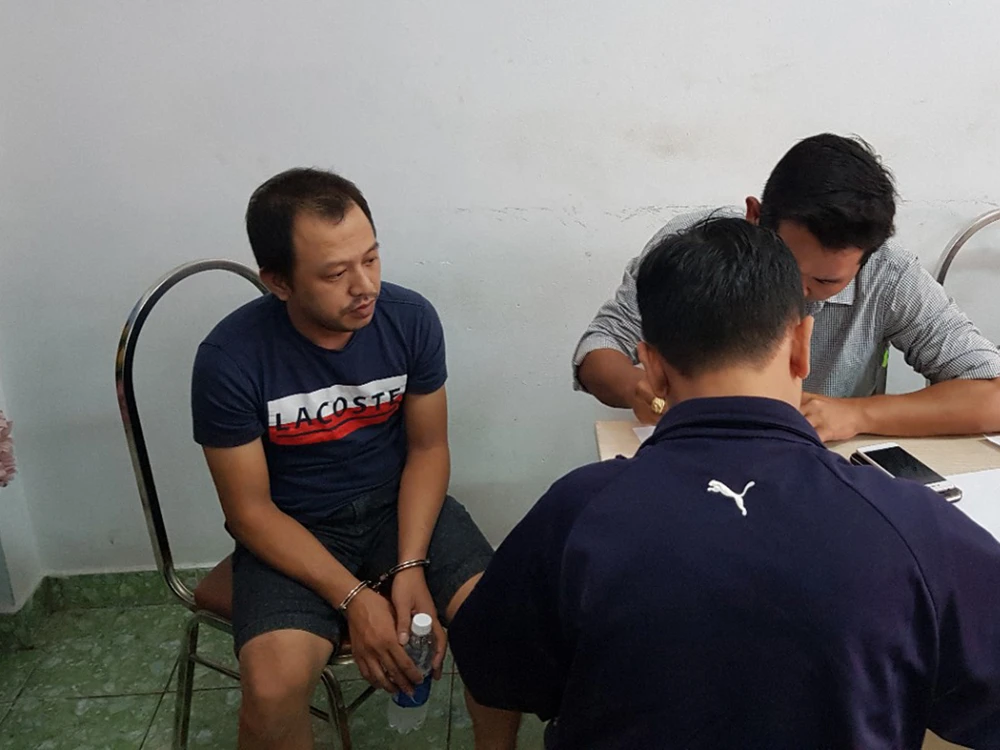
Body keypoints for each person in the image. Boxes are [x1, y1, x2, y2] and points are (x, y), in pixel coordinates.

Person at [450, 217, 1000, 749]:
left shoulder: (576, 513)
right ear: (801, 346)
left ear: (652, 367)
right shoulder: (914, 528)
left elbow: (493, 668)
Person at [191, 168, 519, 749]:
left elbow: (428, 449)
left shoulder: (409, 319)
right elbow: (250, 513)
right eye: (336, 273)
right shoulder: (230, 359)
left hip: (398, 510)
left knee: (504, 632)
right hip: (295, 529)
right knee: (271, 689)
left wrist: (410, 564)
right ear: (279, 282)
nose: (364, 286)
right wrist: (354, 598)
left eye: (371, 258)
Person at [573, 134, 1000, 441]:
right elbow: (599, 350)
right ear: (755, 217)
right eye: (785, 265)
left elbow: (993, 395)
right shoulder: (697, 247)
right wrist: (637, 388)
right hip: (695, 452)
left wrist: (858, 414)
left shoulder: (888, 274)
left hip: (819, 468)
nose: (796, 292)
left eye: (826, 281)